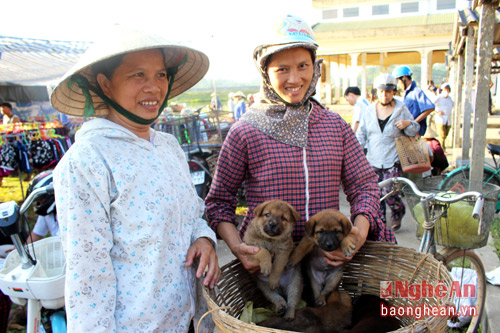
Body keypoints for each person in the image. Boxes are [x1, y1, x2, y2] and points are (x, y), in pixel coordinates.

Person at [50, 27, 220, 332]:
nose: (153, 87)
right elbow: (88, 276)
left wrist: (204, 238)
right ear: (105, 84)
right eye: (137, 75)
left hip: (189, 318)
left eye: (161, 75)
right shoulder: (87, 161)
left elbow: (192, 212)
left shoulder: (168, 146)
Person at [205, 14, 395, 275]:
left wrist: (358, 234)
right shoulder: (246, 131)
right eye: (282, 69)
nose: (294, 79)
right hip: (268, 267)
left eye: (303, 66)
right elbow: (218, 201)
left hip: (326, 261)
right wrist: (238, 247)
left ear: (315, 67)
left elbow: (364, 186)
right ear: (265, 72)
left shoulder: (334, 126)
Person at [356, 73, 420, 232]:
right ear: (376, 92)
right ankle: (381, 222)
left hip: (393, 159)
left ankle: (398, 213)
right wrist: (357, 155)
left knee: (391, 193)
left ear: (393, 92)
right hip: (373, 159)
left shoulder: (401, 108)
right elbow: (361, 134)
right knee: (376, 193)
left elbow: (414, 130)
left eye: (389, 92)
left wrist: (408, 123)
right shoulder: (369, 110)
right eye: (382, 92)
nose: (385, 95)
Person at [392, 65, 435, 136]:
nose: (398, 85)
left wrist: (412, 122)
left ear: (404, 78)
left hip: (415, 132)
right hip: (408, 131)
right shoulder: (407, 93)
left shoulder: (416, 91)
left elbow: (430, 108)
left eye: (398, 81)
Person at [25, 171, 59, 243]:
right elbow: (36, 234)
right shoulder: (46, 214)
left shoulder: (69, 212)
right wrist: (21, 250)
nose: (39, 203)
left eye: (40, 200)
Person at [432, 83, 454, 152]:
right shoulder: (438, 98)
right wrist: (437, 112)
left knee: (445, 134)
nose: (446, 91)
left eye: (448, 90)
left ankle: (442, 146)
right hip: (440, 119)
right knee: (442, 134)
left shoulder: (449, 98)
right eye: (445, 89)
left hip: (448, 119)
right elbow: (431, 105)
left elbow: (452, 105)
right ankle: (442, 149)